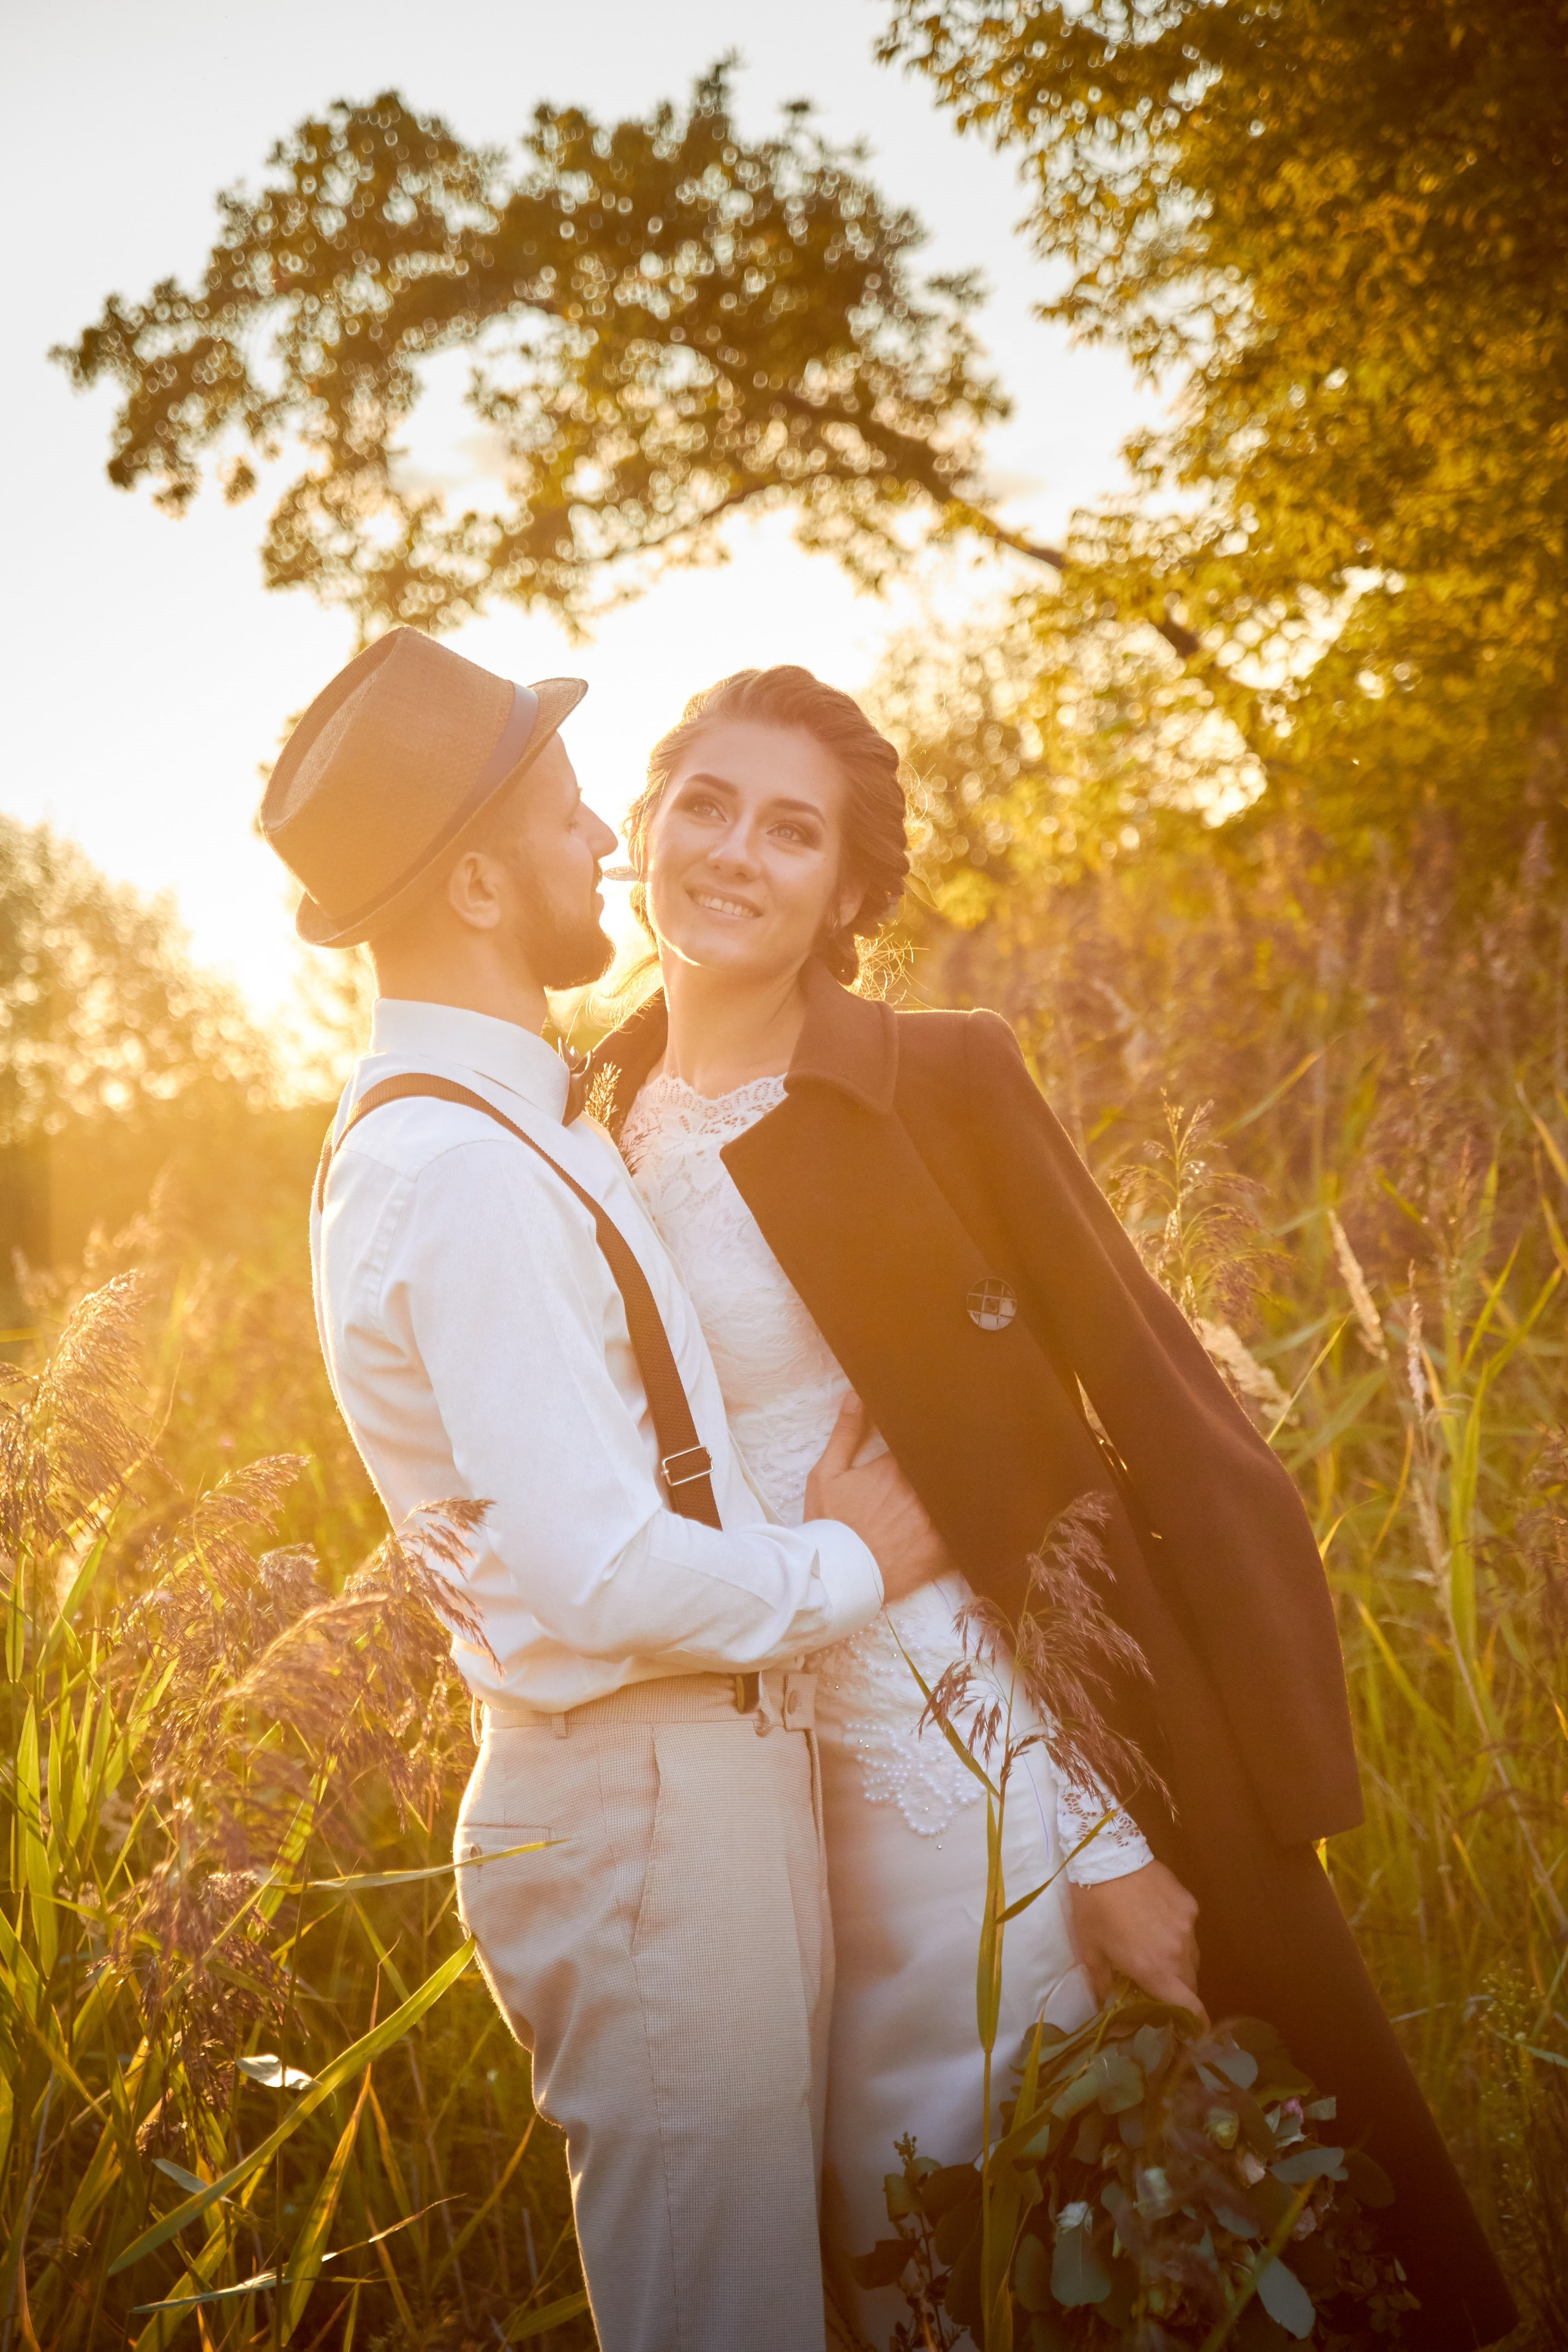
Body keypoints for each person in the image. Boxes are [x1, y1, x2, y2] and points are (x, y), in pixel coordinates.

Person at [587, 665, 1517, 2352]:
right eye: (702, 803)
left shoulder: (937, 1081)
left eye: (791, 830)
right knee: (827, 2243)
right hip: (725, 1769)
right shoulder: (585, 1116)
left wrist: (1113, 1833)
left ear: (854, 892)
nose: (730, 850)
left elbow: (1129, 1429)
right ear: (642, 824)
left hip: (947, 1767)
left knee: (962, 2205)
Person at [259, 628, 952, 2352]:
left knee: (769, 2301)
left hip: (688, 1784)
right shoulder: (461, 1171)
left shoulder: (511, 1125)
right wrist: (846, 1563)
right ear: (484, 883)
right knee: (721, 2321)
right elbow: (599, 1572)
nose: (606, 846)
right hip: (647, 1794)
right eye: (575, 818)